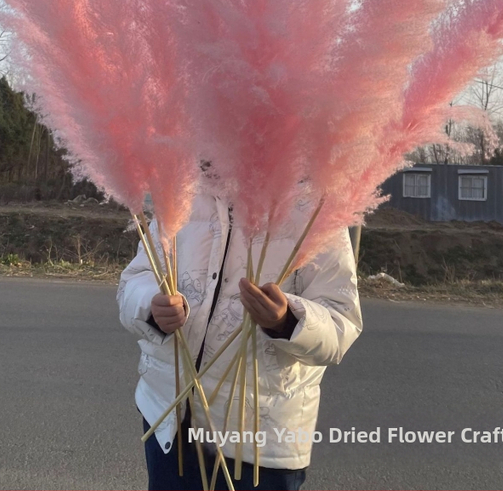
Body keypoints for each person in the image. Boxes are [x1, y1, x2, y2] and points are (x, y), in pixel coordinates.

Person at [117, 191, 362, 491]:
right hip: (168, 422)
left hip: (258, 443)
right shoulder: (184, 187)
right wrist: (151, 306)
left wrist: (287, 321)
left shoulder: (316, 202)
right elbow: (138, 275)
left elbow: (341, 322)